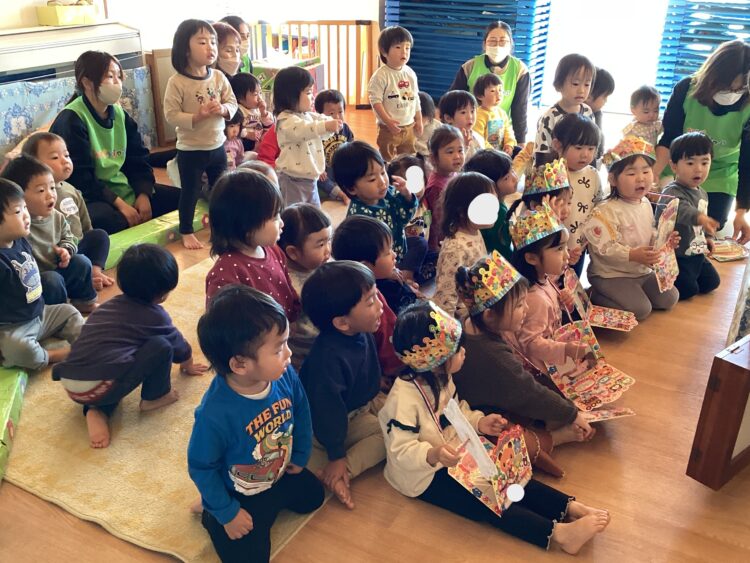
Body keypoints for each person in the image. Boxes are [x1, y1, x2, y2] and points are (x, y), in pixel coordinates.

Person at [380, 299, 609, 554]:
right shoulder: (403, 400)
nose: (464, 352)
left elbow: (457, 409)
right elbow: (400, 451)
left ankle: (567, 507)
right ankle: (559, 534)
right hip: (423, 476)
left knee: (508, 474)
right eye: (457, 350)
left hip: (456, 450)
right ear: (436, 360)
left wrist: (479, 422)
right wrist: (433, 454)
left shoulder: (440, 377)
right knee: (488, 502)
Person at [189, 284, 323, 563]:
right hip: (239, 492)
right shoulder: (214, 415)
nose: (289, 354)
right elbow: (202, 467)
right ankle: (210, 512)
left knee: (314, 497)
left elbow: (301, 410)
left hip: (279, 471)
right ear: (240, 365)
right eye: (279, 349)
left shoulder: (284, 375)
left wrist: (300, 455)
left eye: (286, 343)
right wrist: (227, 513)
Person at [454, 252, 596, 476]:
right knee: (512, 442)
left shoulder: (469, 321)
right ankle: (553, 439)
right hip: (478, 413)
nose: (526, 310)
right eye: (519, 305)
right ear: (490, 315)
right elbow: (529, 392)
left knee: (548, 394)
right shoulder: (495, 357)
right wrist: (572, 414)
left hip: (494, 397)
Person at [52, 244, 207, 448]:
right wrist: (187, 363)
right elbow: (177, 344)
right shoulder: (155, 316)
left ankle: (96, 410)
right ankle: (155, 397)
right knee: (161, 345)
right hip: (99, 386)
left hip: (71, 382)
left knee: (114, 363)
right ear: (162, 294)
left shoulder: (107, 306)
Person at [50, 50, 179, 234]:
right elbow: (80, 179)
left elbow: (138, 158)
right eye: (110, 77)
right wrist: (120, 204)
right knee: (108, 221)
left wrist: (143, 193)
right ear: (87, 82)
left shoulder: (120, 114)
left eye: (119, 76)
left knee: (183, 200)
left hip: (122, 187)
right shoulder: (72, 119)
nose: (117, 82)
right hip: (90, 196)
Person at [299, 261, 386, 509]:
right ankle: (340, 471)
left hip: (359, 406)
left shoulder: (360, 329)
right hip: (327, 426)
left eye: (376, 295)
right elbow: (327, 410)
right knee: (388, 436)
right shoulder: (328, 359)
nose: (380, 306)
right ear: (342, 323)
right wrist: (337, 455)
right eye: (370, 301)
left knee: (403, 422)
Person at [654, 40, 750, 240]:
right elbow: (669, 137)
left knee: (711, 223)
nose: (732, 93)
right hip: (679, 163)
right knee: (670, 217)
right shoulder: (685, 89)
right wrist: (654, 175)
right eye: (727, 87)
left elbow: (747, 160)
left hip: (721, 171)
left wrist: (741, 211)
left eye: (738, 89)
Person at [583, 136, 680, 321]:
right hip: (610, 274)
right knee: (640, 310)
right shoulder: (606, 210)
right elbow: (602, 247)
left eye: (646, 171)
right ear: (613, 179)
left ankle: (633, 290)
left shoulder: (645, 203)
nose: (641, 178)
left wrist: (664, 242)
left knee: (669, 298)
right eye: (631, 173)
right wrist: (632, 254)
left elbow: (649, 233)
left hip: (640, 271)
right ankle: (593, 294)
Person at [164, 19, 238, 250]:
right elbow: (171, 114)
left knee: (221, 189)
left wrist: (224, 109)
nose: (211, 47)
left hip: (217, 146)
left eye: (213, 42)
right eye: (202, 42)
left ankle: (221, 226)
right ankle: (186, 230)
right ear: (185, 49)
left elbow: (232, 102)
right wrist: (197, 116)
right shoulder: (177, 82)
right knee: (191, 191)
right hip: (191, 149)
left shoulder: (218, 77)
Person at [0, 179, 83, 371]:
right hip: (12, 326)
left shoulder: (20, 240)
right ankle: (51, 355)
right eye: (18, 211)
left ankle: (87, 344)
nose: (26, 215)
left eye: (25, 208)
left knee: (70, 312)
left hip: (40, 313)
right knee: (19, 350)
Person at [2, 156, 97, 312]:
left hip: (58, 267)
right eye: (41, 190)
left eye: (52, 188)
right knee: (52, 280)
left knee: (81, 262)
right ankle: (59, 312)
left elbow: (69, 237)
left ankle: (84, 301)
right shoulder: (18, 227)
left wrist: (66, 250)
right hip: (37, 282)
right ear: (19, 198)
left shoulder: (56, 216)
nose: (50, 195)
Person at [204, 170, 299, 323]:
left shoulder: (274, 250)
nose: (282, 223)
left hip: (284, 328)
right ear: (247, 226)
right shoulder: (226, 274)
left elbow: (287, 290)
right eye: (275, 217)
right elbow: (220, 324)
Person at [22, 131, 113, 290]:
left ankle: (94, 272)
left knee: (100, 236)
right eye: (55, 157)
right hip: (54, 256)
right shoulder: (35, 199)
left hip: (76, 247)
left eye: (66, 155)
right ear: (34, 166)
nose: (65, 161)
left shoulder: (72, 191)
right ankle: (80, 280)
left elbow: (86, 225)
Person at [509, 202, 588, 374]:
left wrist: (562, 301)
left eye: (565, 247)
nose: (566, 255)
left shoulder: (545, 278)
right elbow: (530, 344)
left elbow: (549, 313)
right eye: (559, 249)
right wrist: (565, 350)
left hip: (550, 348)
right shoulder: (534, 299)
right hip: (539, 369)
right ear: (532, 258)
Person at [658, 132, 721, 299]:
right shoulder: (671, 192)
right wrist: (700, 218)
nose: (698, 169)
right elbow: (682, 209)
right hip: (676, 256)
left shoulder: (702, 193)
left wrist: (708, 238)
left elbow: (702, 224)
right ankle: (661, 280)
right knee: (688, 290)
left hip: (695, 252)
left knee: (712, 283)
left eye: (705, 162)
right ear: (674, 166)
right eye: (690, 162)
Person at [332, 141, 417, 264]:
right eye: (372, 179)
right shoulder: (359, 219)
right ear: (351, 188)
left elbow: (404, 218)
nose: (382, 182)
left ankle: (405, 270)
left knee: (419, 243)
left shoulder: (389, 193)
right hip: (381, 265)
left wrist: (407, 196)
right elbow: (366, 257)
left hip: (397, 251)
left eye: (382, 172)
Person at [449, 20, 530, 143]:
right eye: (492, 41)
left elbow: (520, 109)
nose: (497, 46)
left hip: (500, 130)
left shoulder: (520, 70)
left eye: (503, 41)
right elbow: (452, 99)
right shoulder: (469, 66)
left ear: (511, 44)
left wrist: (520, 141)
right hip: (470, 129)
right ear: (484, 44)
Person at [274, 66, 342, 206]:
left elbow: (320, 122)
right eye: (309, 92)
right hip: (293, 180)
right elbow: (304, 130)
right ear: (291, 95)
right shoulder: (285, 120)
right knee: (295, 213)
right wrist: (325, 126)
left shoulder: (306, 115)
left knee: (313, 211)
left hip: (310, 179)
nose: (313, 96)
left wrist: (332, 123)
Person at [433, 173, 496, 319]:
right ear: (462, 212)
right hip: (465, 313)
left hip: (480, 298)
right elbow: (445, 296)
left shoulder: (474, 230)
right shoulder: (456, 248)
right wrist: (451, 328)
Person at [278, 203, 332, 370]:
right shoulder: (289, 286)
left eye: (329, 241)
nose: (328, 250)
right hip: (306, 356)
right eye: (320, 244)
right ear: (293, 252)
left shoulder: (319, 264)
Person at [332, 215, 418, 315]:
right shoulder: (380, 295)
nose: (394, 255)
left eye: (391, 248)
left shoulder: (383, 275)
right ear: (366, 267)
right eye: (388, 253)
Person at [551, 114, 602, 276]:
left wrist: (587, 242)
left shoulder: (593, 174)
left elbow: (598, 207)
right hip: (552, 248)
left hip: (578, 247)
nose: (585, 154)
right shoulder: (550, 174)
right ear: (557, 145)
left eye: (591, 149)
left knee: (572, 283)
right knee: (550, 284)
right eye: (579, 148)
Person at [367, 26, 423, 160]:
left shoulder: (410, 73)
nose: (404, 52)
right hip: (388, 128)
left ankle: (408, 173)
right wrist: (388, 121)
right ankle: (387, 172)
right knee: (387, 157)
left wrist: (419, 119)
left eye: (407, 48)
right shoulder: (381, 76)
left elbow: (415, 97)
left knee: (409, 157)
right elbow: (375, 101)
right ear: (384, 51)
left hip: (409, 125)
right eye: (398, 47)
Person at [535, 54, 595, 166]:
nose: (581, 90)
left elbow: (592, 143)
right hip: (555, 171)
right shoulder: (550, 117)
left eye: (587, 84)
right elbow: (541, 154)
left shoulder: (588, 112)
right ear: (560, 84)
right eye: (575, 84)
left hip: (581, 170)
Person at [463, 149, 518, 260]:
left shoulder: (498, 204)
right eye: (506, 178)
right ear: (489, 186)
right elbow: (501, 248)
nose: (514, 178)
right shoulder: (496, 212)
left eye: (512, 170)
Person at [424, 124, 466, 253]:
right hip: (442, 242)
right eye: (450, 152)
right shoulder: (436, 187)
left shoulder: (452, 173)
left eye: (460, 150)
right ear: (434, 158)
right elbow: (438, 222)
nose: (457, 156)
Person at [387, 155, 429, 282]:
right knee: (420, 243)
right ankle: (406, 279)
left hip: (417, 254)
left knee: (438, 257)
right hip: (398, 255)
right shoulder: (396, 207)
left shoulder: (424, 205)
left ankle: (410, 277)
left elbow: (428, 227)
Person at [314, 89, 353, 204]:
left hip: (341, 166)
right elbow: (311, 152)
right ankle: (340, 194)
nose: (337, 116)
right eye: (331, 113)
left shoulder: (346, 128)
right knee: (318, 178)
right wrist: (319, 169)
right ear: (319, 115)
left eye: (340, 112)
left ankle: (349, 188)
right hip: (326, 169)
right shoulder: (318, 131)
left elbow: (351, 146)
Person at [229, 72, 274, 153]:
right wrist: (247, 134)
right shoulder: (238, 110)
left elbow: (269, 124)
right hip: (245, 142)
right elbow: (233, 127)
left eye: (260, 93)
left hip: (259, 140)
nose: (260, 98)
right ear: (240, 98)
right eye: (255, 94)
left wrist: (263, 112)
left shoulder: (258, 109)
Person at [472, 73, 516, 154]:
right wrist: (494, 153)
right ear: (480, 96)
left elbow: (508, 130)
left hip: (501, 152)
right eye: (492, 91)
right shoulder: (478, 115)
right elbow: (478, 139)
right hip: (486, 154)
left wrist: (509, 144)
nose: (498, 93)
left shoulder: (502, 113)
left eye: (500, 90)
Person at [438, 90, 486, 160]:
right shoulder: (445, 141)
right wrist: (464, 146)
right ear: (448, 118)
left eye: (472, 111)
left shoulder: (477, 137)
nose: (470, 116)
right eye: (463, 112)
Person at [585, 67, 615, 162]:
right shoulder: (580, 115)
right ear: (589, 96)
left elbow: (599, 136)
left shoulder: (597, 113)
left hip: (594, 159)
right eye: (605, 97)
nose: (606, 101)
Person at [415, 92, 438, 159]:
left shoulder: (437, 127)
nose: (418, 121)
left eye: (423, 116)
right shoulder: (406, 125)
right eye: (414, 118)